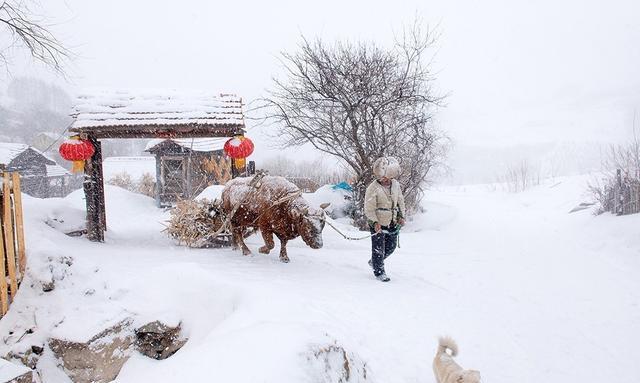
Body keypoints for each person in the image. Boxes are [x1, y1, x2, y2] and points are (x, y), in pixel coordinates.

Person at [364, 157, 406, 282]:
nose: (383, 180)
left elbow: (400, 201)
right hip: (377, 222)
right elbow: (369, 208)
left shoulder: (395, 185)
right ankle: (379, 272)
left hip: (392, 221)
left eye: (385, 178)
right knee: (378, 248)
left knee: (391, 246)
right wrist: (374, 222)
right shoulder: (373, 187)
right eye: (380, 178)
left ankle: (375, 261)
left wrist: (401, 216)